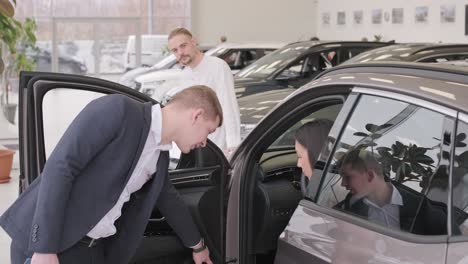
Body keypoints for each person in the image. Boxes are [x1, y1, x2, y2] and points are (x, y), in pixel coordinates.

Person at [0, 85, 219, 264]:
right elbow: (60, 167)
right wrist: (44, 248)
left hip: (93, 250)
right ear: (196, 116)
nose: (204, 143)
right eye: (208, 131)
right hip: (52, 246)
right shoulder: (119, 110)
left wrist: (198, 246)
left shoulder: (159, 156)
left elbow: (169, 201)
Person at [334, 148, 455, 235]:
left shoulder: (422, 208)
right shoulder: (348, 207)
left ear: (370, 175)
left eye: (348, 177)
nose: (343, 184)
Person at [167, 27, 241, 156]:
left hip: (220, 146)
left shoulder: (218, 66)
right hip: (197, 148)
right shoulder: (184, 75)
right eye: (175, 50)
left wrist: (233, 144)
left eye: (183, 46)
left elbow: (229, 105)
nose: (180, 53)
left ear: (194, 42)